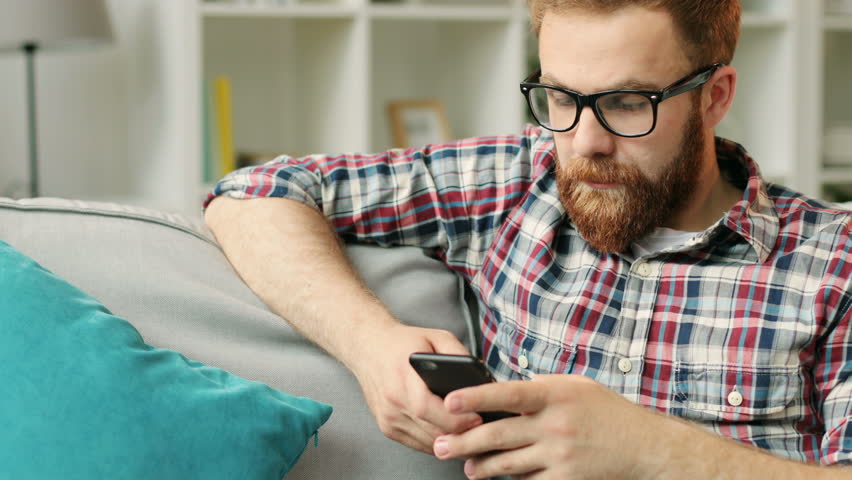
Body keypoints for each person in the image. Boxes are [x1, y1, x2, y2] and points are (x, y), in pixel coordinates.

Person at [204, 0, 852, 477]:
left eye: (628, 103)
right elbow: (253, 195)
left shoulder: (834, 263)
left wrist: (651, 452)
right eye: (560, 98)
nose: (585, 142)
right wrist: (373, 347)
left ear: (715, 97)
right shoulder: (518, 180)